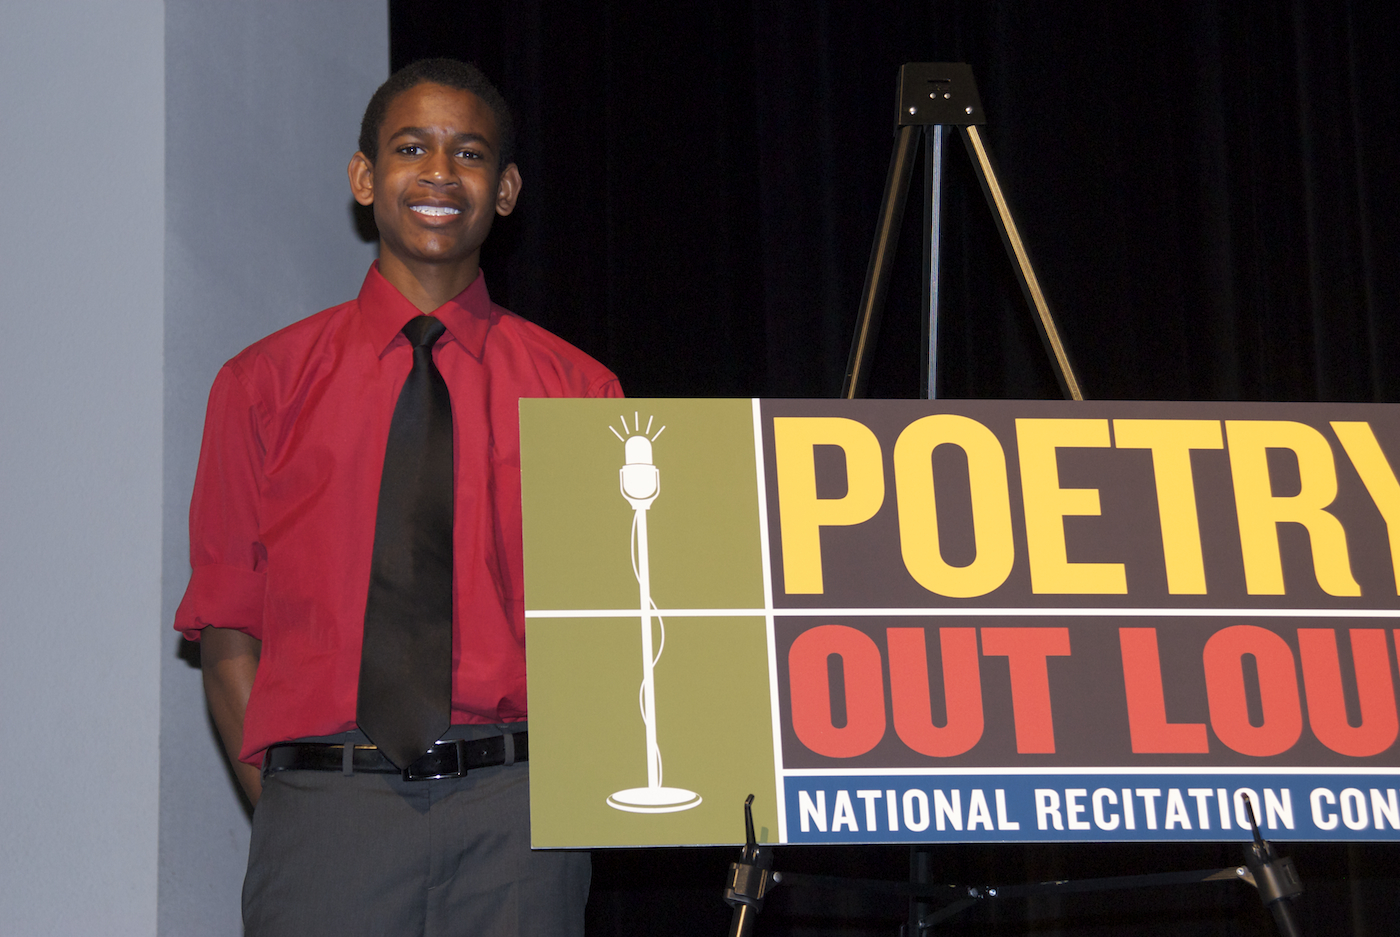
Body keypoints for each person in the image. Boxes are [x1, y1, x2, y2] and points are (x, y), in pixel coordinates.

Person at [174, 58, 620, 937]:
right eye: (412, 148)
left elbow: (611, 631)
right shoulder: (260, 385)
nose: (440, 173)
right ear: (365, 176)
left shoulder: (580, 392)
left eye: (470, 154)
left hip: (518, 820)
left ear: (505, 190)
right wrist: (300, 800)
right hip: (326, 817)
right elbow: (227, 625)